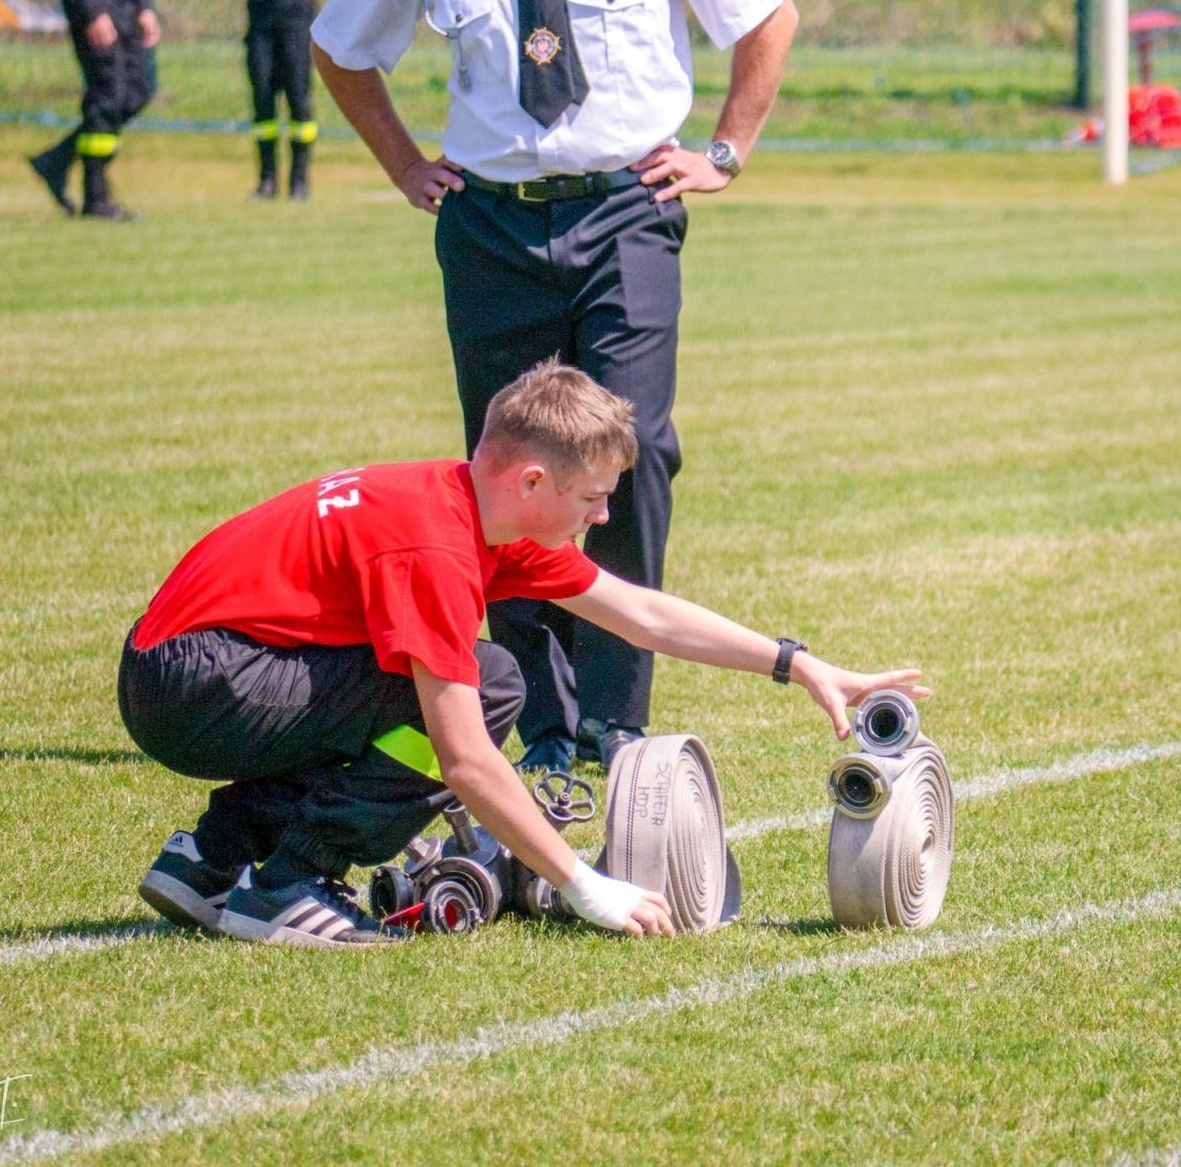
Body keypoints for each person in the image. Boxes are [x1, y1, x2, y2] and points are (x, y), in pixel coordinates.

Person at [119, 361, 926, 947]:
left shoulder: (476, 510)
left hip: (191, 670)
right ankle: (292, 883)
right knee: (483, 691)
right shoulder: (436, 547)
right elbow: (466, 760)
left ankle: (210, 861)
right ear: (533, 481)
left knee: (475, 683)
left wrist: (796, 663)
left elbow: (641, 615)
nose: (602, 517)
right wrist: (583, 884)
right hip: (196, 683)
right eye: (593, 497)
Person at [308, 0, 800, 775]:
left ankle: (615, 716)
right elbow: (338, 45)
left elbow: (768, 15)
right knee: (510, 475)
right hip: (489, 224)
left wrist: (726, 151)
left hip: (625, 213)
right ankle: (544, 720)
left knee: (634, 447)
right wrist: (403, 165)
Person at [28, 0, 159, 220]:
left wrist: (143, 6)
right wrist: (93, 11)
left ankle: (57, 160)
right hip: (95, 1)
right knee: (108, 97)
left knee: (137, 92)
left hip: (125, 1)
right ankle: (96, 198)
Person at [244, 0, 338, 200]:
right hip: (261, 12)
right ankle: (267, 181)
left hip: (296, 10)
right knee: (262, 98)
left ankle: (299, 181)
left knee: (298, 98)